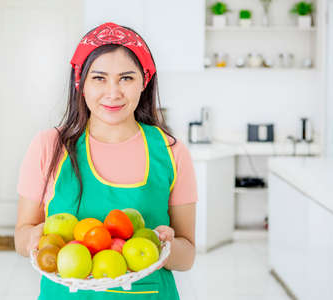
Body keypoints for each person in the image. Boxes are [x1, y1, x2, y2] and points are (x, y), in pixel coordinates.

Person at [15, 22, 197, 299]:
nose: (113, 92)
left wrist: (165, 248)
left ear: (144, 82)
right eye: (99, 78)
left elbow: (187, 255)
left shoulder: (171, 152)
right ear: (81, 84)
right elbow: (21, 236)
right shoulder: (48, 147)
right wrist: (32, 239)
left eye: (126, 78)